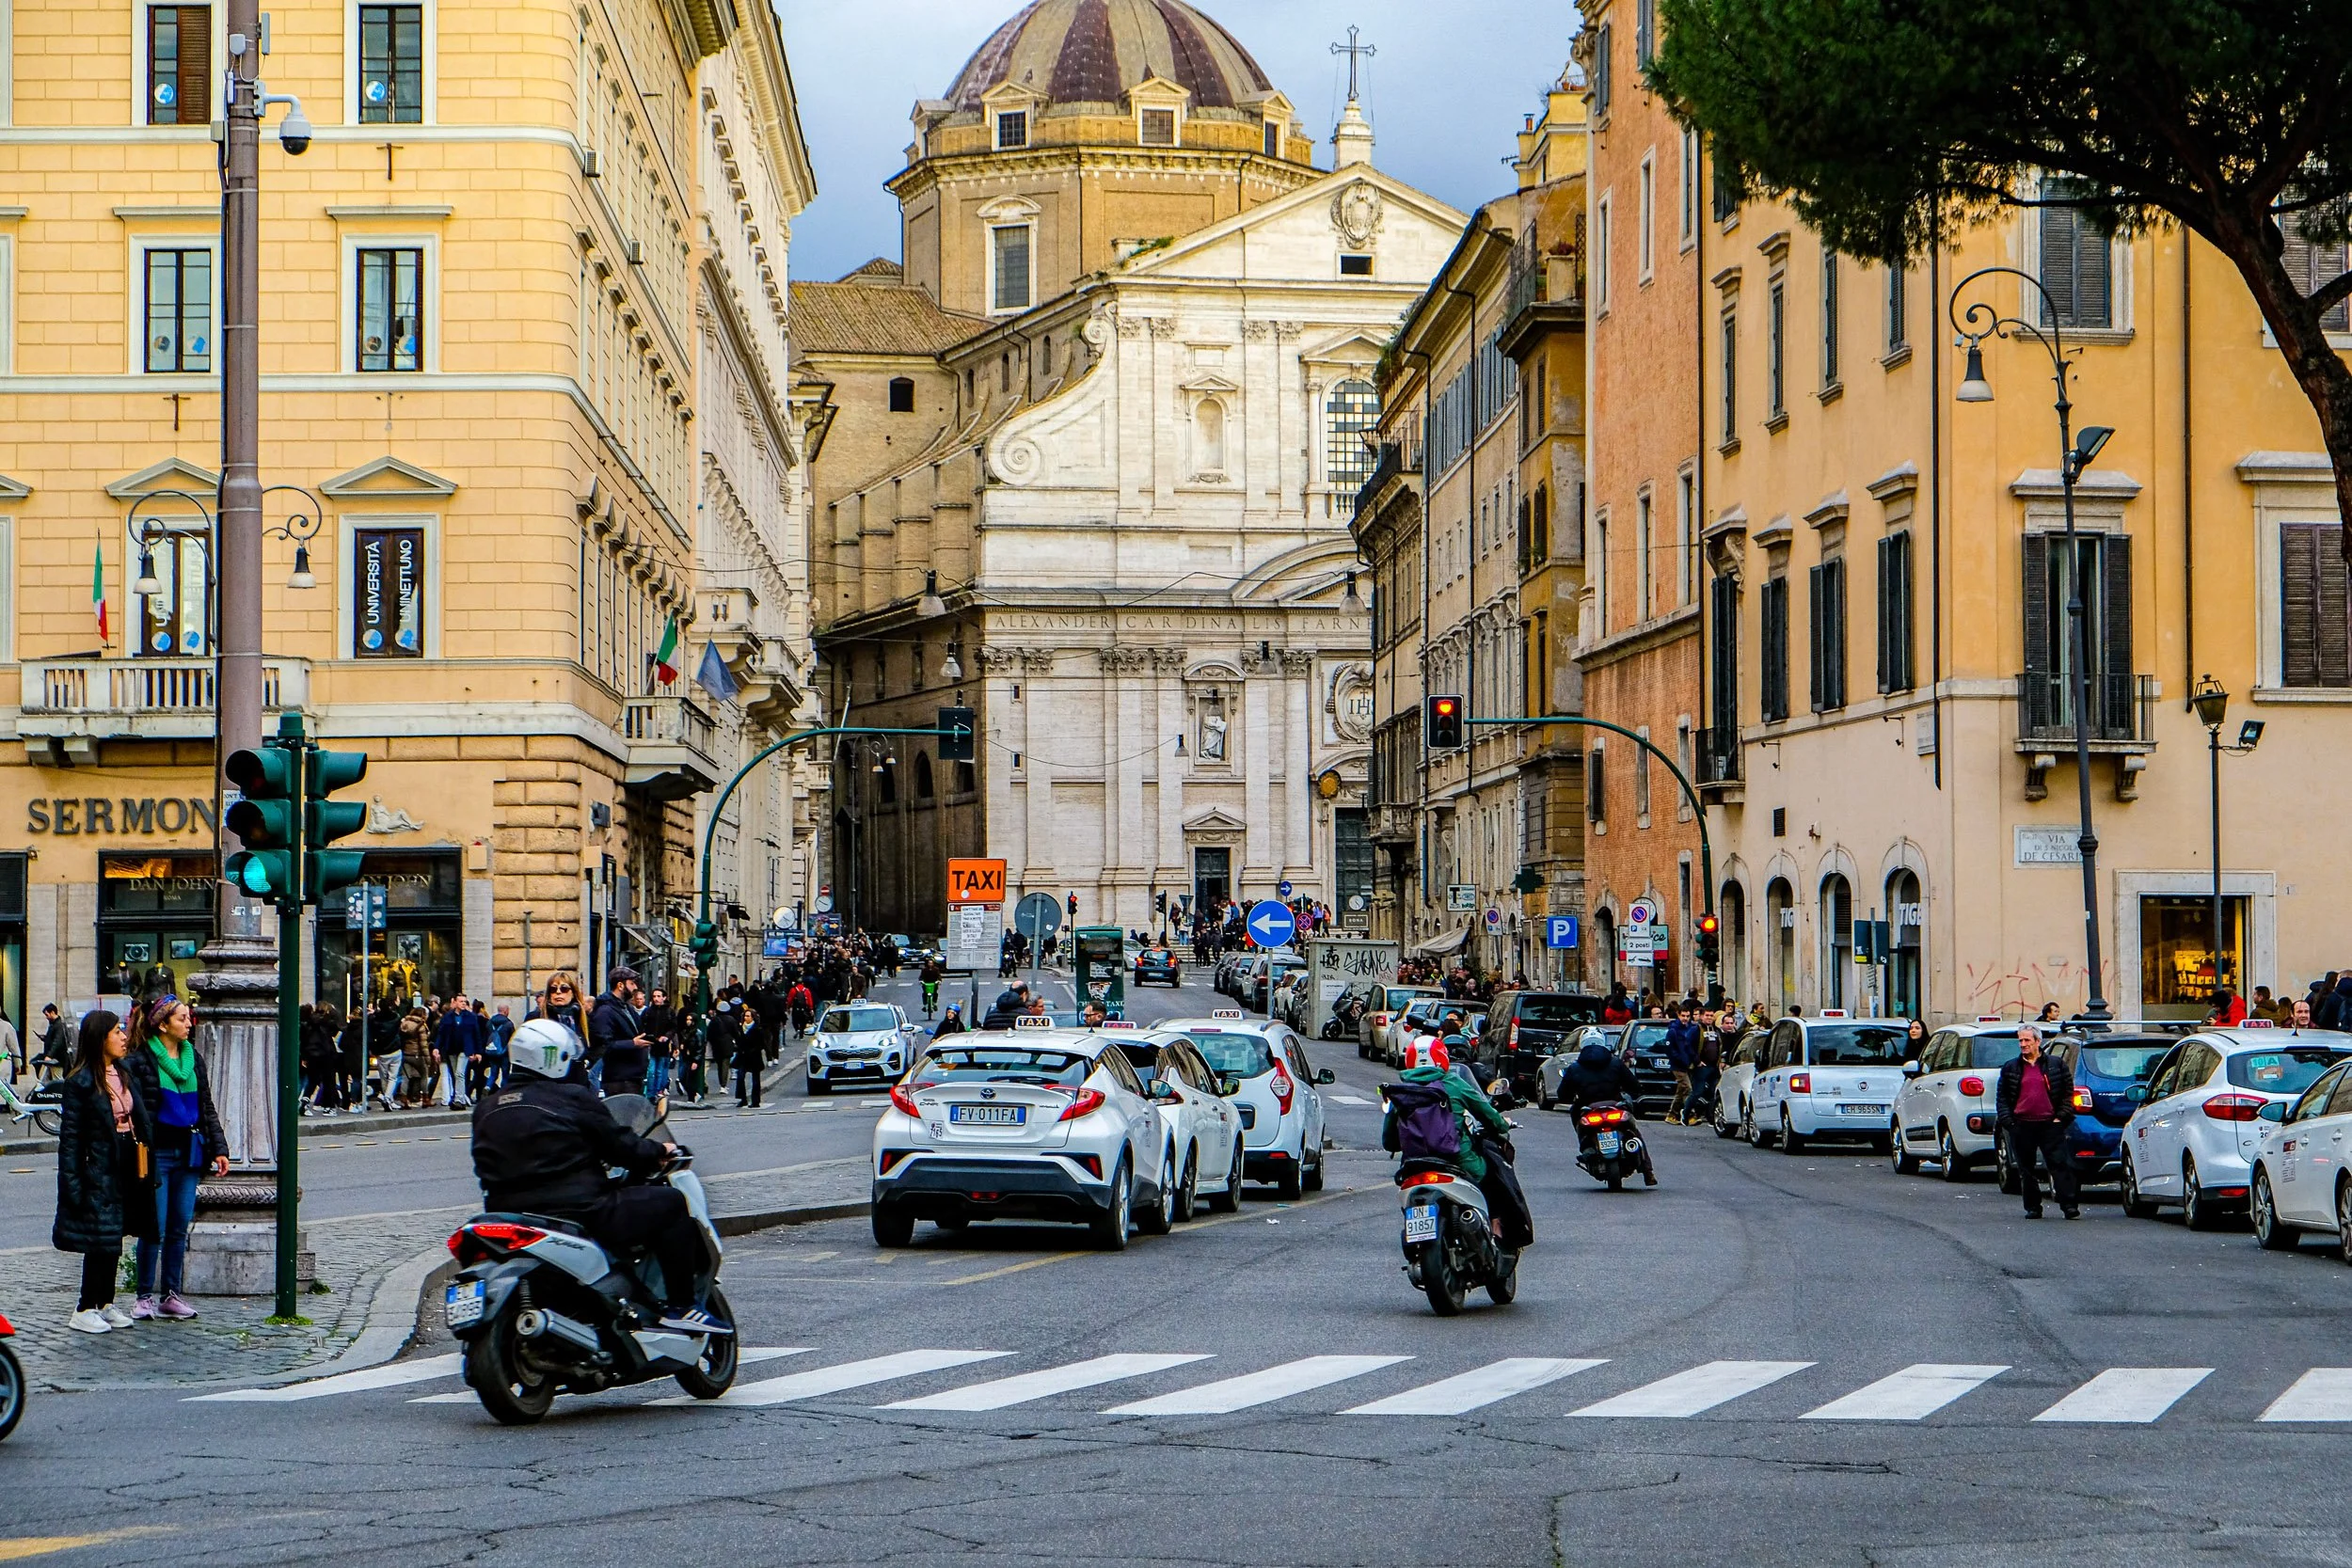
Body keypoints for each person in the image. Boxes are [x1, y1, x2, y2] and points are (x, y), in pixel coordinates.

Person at [469, 1019, 726, 1335]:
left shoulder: (486, 1107)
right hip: (580, 1210)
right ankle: (681, 1307)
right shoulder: (571, 1098)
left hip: (508, 1212)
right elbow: (621, 1145)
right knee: (671, 1204)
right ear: (555, 1058)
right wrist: (659, 1150)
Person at [119, 995, 230, 1319]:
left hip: (191, 1151)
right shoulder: (140, 1061)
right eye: (182, 1018)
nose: (188, 1023)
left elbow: (206, 1105)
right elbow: (134, 1111)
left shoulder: (192, 1057)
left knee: (180, 1227)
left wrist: (219, 1148)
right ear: (162, 1024)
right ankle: (143, 1297)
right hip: (157, 1154)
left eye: (188, 1017)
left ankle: (170, 1295)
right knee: (155, 1227)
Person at [53, 1008, 153, 1334]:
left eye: (123, 1031)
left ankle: (105, 1302)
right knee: (100, 1239)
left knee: (116, 1234)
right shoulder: (80, 1082)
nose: (124, 1037)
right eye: (116, 1032)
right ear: (100, 1038)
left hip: (127, 1158)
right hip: (98, 1166)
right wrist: (73, 1183)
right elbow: (70, 1141)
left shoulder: (123, 1072)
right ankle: (84, 1307)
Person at [1382, 1037, 1532, 1244]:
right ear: (1442, 1058)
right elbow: (1487, 1114)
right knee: (1493, 1178)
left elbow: (1389, 1142)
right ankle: (1496, 1231)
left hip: (1414, 1164)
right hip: (1457, 1158)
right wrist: (1503, 1125)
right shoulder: (1453, 1083)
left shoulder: (1401, 1092)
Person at [1996, 1022, 2079, 1220]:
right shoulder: (2011, 1068)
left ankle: (2069, 1205)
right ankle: (2033, 1207)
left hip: (2050, 1123)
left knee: (2059, 1164)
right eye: (2020, 1041)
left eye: (2027, 1040)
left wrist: (2061, 1117)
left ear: (2037, 1042)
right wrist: (2010, 1122)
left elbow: (2068, 1092)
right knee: (2026, 1169)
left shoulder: (2055, 1064)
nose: (2023, 1044)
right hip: (2022, 1124)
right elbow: (2002, 1098)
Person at [1555, 1037, 1657, 1185]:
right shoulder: (1615, 1062)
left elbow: (1562, 1094)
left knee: (1576, 1116)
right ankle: (1648, 1171)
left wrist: (1573, 1097)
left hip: (1588, 1108)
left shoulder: (1575, 1068)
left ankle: (1586, 1146)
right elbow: (1633, 1084)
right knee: (1633, 1132)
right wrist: (1634, 1092)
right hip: (1615, 1105)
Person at [590, 968, 652, 1099]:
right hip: (619, 1079)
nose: (635, 987)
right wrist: (632, 1043)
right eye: (632, 983)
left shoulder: (627, 1007)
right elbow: (603, 1046)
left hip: (634, 1075)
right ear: (620, 985)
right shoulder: (605, 1011)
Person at [1664, 1003, 1703, 1125]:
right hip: (1678, 1065)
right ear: (1678, 1015)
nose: (1685, 1018)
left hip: (1688, 1064)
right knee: (1688, 1088)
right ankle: (1689, 1115)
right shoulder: (1673, 1030)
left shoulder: (1691, 1028)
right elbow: (1670, 1050)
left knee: (1681, 1090)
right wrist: (1680, 1059)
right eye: (1683, 1016)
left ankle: (1672, 1114)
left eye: (1687, 1016)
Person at [640, 988, 678, 1101]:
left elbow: (673, 1027)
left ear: (664, 998)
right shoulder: (648, 1012)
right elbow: (641, 1025)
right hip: (650, 1044)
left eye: (658, 996)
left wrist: (667, 1037)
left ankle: (658, 1091)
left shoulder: (669, 1011)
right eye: (654, 996)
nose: (656, 999)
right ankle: (651, 1093)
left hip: (663, 1045)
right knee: (651, 1071)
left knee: (659, 1070)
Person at [919, 955, 944, 1019]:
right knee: (924, 994)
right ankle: (925, 1005)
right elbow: (921, 976)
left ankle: (934, 1003)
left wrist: (939, 981)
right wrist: (921, 981)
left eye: (931, 963)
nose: (930, 964)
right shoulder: (924, 969)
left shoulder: (936, 969)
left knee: (935, 993)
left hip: (934, 984)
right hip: (926, 984)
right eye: (929, 963)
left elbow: (939, 976)